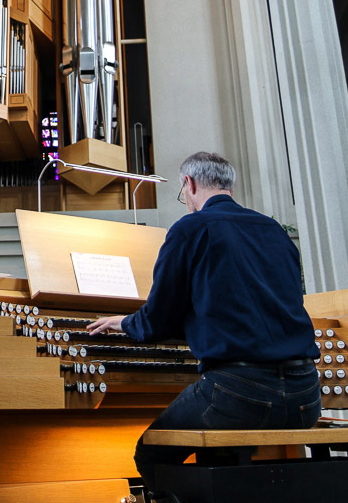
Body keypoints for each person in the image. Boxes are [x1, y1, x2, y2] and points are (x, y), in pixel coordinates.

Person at [86, 151, 321, 502]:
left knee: (150, 453)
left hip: (240, 394)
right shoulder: (272, 229)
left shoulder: (190, 228)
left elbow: (158, 319)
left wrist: (125, 323)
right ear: (229, 185)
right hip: (306, 395)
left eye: (183, 194)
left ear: (189, 184)